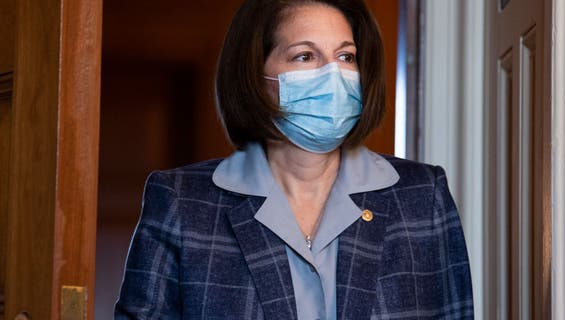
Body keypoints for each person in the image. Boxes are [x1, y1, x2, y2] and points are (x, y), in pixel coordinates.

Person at [114, 0, 473, 319]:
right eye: (305, 56)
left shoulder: (423, 196)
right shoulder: (182, 202)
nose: (334, 75)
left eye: (346, 56)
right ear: (256, 74)